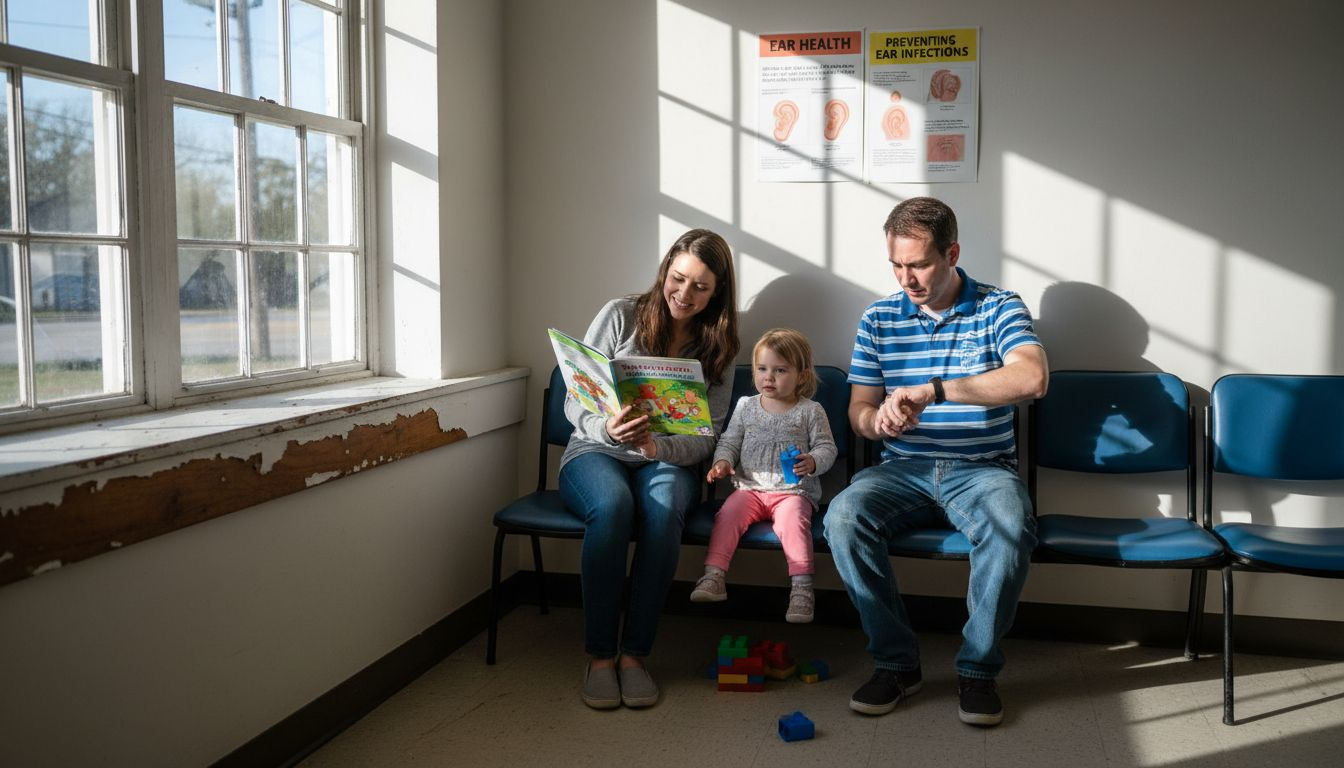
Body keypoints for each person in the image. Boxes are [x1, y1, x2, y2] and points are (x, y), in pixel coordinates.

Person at [824, 197, 1048, 727]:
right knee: (842, 517)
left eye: (919, 264)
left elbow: (1032, 379)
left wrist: (936, 391)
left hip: (984, 468)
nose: (907, 278)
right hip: (901, 469)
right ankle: (896, 663)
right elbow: (859, 407)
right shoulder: (878, 317)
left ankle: (978, 670)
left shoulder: (999, 306)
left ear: (952, 253)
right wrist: (875, 422)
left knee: (1010, 524)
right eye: (896, 266)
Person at [558, 229, 740, 710]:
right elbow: (575, 402)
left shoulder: (719, 344)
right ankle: (600, 656)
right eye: (677, 279)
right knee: (613, 507)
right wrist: (607, 429)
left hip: (665, 459)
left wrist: (656, 445)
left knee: (661, 513)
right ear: (665, 272)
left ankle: (635, 654)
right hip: (595, 452)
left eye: (700, 287)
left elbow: (707, 438)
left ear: (718, 291)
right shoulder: (621, 314)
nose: (684, 295)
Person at [689, 328, 838, 623]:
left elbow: (826, 447)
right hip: (750, 490)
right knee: (728, 513)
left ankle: (801, 588)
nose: (768, 377)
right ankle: (714, 575)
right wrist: (721, 462)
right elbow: (730, 440)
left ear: (802, 376)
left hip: (794, 492)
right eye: (762, 369)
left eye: (780, 370)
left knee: (793, 522)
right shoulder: (746, 406)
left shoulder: (810, 411)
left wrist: (813, 461)